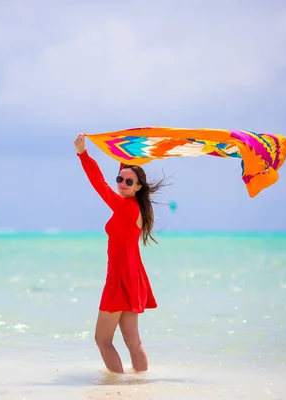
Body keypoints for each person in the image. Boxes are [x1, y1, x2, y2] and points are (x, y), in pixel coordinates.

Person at [74, 133, 165, 374]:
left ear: (138, 186)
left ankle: (115, 390)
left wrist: (84, 155)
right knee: (133, 342)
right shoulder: (138, 208)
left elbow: (99, 185)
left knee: (102, 340)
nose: (122, 183)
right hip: (133, 277)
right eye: (120, 179)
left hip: (119, 279)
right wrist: (124, 154)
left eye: (128, 181)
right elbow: (124, 171)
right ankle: (139, 388)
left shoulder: (124, 206)